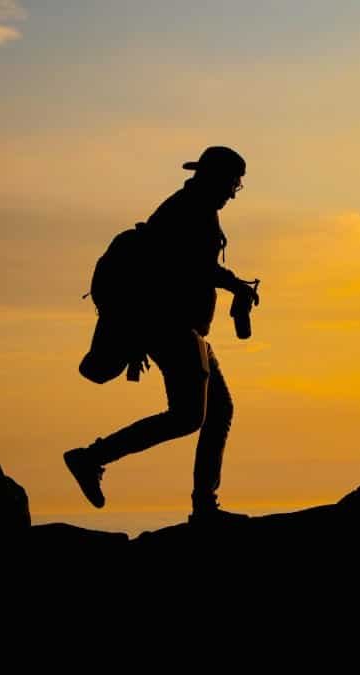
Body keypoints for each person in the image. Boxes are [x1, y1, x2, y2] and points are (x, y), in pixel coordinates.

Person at [64, 146, 261, 526]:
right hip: (170, 326)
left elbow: (192, 267)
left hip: (182, 329)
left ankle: (205, 505)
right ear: (216, 178)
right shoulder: (191, 211)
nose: (232, 192)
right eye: (233, 184)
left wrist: (233, 285)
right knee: (189, 416)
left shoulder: (192, 208)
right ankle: (92, 458)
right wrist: (235, 285)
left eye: (236, 186)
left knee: (218, 411)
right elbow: (192, 268)